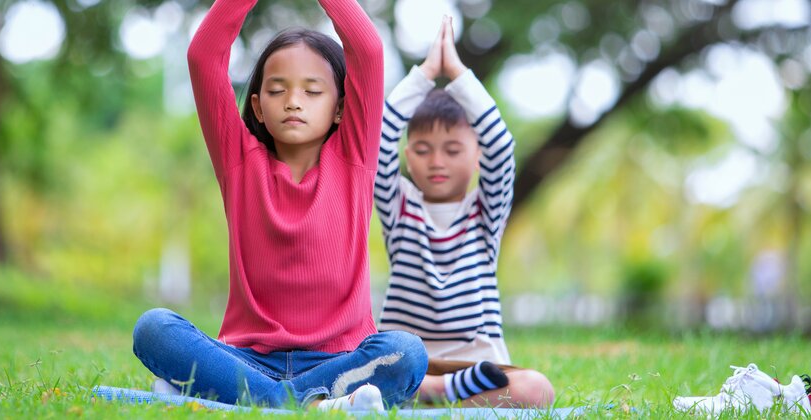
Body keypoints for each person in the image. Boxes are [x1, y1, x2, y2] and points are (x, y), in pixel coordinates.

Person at [131, 0, 427, 412]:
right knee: (154, 328)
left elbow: (369, 52)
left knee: (407, 352)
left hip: (338, 360)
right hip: (247, 358)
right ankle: (313, 404)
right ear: (257, 106)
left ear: (340, 106)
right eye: (276, 90)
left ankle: (229, 396)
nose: (293, 101)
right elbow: (203, 56)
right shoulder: (238, 160)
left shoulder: (356, 158)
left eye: (312, 90)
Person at [373, 16, 554, 408]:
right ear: (407, 157)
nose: (437, 161)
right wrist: (423, 75)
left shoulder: (484, 214)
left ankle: (425, 400)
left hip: (479, 367)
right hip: (406, 361)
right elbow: (378, 140)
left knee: (536, 390)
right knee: (360, 377)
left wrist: (456, 72)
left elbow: (503, 147)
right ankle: (428, 395)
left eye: (453, 150)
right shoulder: (399, 206)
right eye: (423, 150)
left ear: (477, 158)